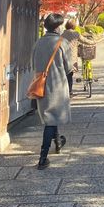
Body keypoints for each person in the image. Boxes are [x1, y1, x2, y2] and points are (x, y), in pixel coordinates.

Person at [32, 13, 72, 170]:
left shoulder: (38, 43)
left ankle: (58, 142)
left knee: (50, 116)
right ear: (57, 27)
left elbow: (32, 63)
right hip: (57, 86)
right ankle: (43, 157)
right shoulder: (62, 42)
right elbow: (68, 67)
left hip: (40, 85)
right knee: (50, 120)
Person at [62, 18, 81, 97]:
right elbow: (84, 40)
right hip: (72, 57)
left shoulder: (62, 33)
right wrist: (92, 42)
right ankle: (69, 91)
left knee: (64, 74)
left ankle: (64, 91)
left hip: (63, 55)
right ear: (74, 25)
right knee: (70, 74)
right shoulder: (76, 33)